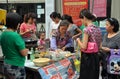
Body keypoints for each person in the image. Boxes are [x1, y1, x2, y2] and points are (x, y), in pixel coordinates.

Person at [0, 12, 28, 79]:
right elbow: (23, 53)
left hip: (6, 64)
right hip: (16, 65)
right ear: (16, 24)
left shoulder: (2, 34)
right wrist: (27, 50)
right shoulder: (16, 36)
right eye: (19, 24)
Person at [76, 9, 102, 79]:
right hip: (96, 57)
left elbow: (84, 47)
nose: (81, 22)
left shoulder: (86, 29)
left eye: (81, 19)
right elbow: (100, 46)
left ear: (84, 18)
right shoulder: (98, 29)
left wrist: (78, 40)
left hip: (87, 58)